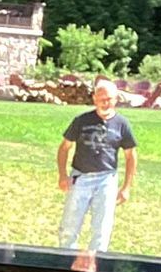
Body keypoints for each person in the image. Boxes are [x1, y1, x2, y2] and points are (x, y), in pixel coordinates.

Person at [57, 80, 138, 252]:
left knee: (102, 229)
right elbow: (64, 147)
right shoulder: (81, 120)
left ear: (116, 99)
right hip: (80, 177)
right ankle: (66, 260)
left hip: (106, 180)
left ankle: (96, 263)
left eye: (109, 99)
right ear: (94, 98)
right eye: (101, 99)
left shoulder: (122, 124)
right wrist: (63, 175)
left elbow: (131, 156)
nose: (105, 103)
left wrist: (126, 187)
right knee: (69, 227)